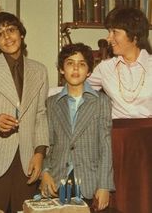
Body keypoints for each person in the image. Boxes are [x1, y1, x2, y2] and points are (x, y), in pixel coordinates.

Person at [0, 12, 49, 213]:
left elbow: (40, 114)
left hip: (27, 161)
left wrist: (39, 153)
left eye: (11, 30)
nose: (7, 37)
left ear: (21, 34)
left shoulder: (39, 70)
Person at [87, 7, 152, 213]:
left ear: (134, 35)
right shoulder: (105, 68)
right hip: (116, 145)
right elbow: (78, 91)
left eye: (114, 32)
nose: (108, 38)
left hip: (148, 146)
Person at [40, 43, 114, 211]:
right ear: (61, 69)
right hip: (58, 180)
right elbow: (47, 143)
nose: (75, 68)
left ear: (89, 71)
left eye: (81, 64)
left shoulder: (101, 101)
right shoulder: (52, 103)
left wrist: (104, 185)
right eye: (69, 63)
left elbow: (105, 146)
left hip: (89, 181)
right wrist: (45, 172)